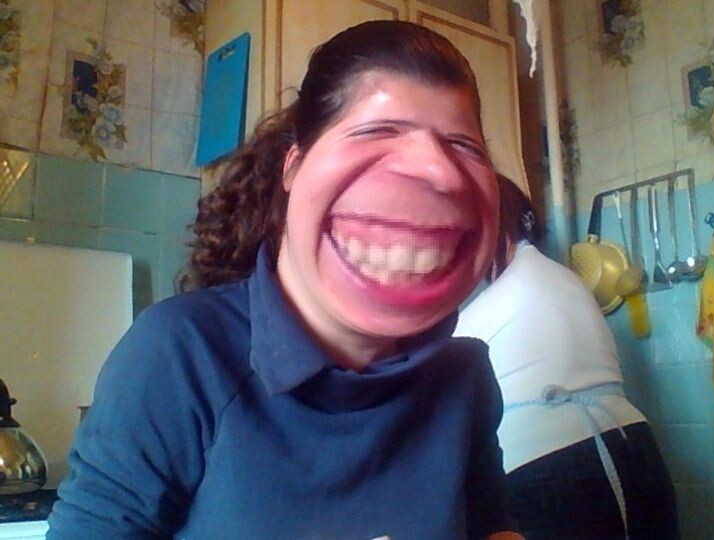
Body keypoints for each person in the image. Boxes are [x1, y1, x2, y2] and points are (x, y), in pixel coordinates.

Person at [47, 21, 523, 540]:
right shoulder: (180, 353)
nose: (440, 171)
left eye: (464, 145)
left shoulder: (465, 378)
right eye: (377, 130)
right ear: (293, 167)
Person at [454, 176, 679, 540]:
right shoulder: (565, 279)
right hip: (635, 448)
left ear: (490, 229)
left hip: (547, 467)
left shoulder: (487, 308)